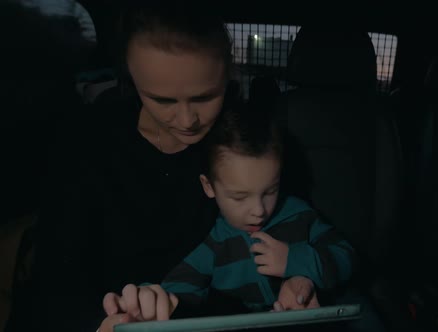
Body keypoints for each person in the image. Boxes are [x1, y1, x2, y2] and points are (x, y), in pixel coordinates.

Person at [26, 2, 318, 332]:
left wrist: (299, 282)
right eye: (161, 100)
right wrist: (102, 326)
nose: (186, 121)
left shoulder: (253, 142)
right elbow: (55, 279)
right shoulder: (86, 145)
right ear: (131, 77)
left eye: (205, 97)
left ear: (228, 74)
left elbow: (295, 229)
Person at [102, 104, 357, 321]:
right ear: (208, 186)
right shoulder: (213, 243)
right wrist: (147, 300)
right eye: (239, 196)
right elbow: (176, 292)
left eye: (271, 190)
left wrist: (297, 262)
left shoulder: (300, 214)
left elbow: (346, 256)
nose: (259, 210)